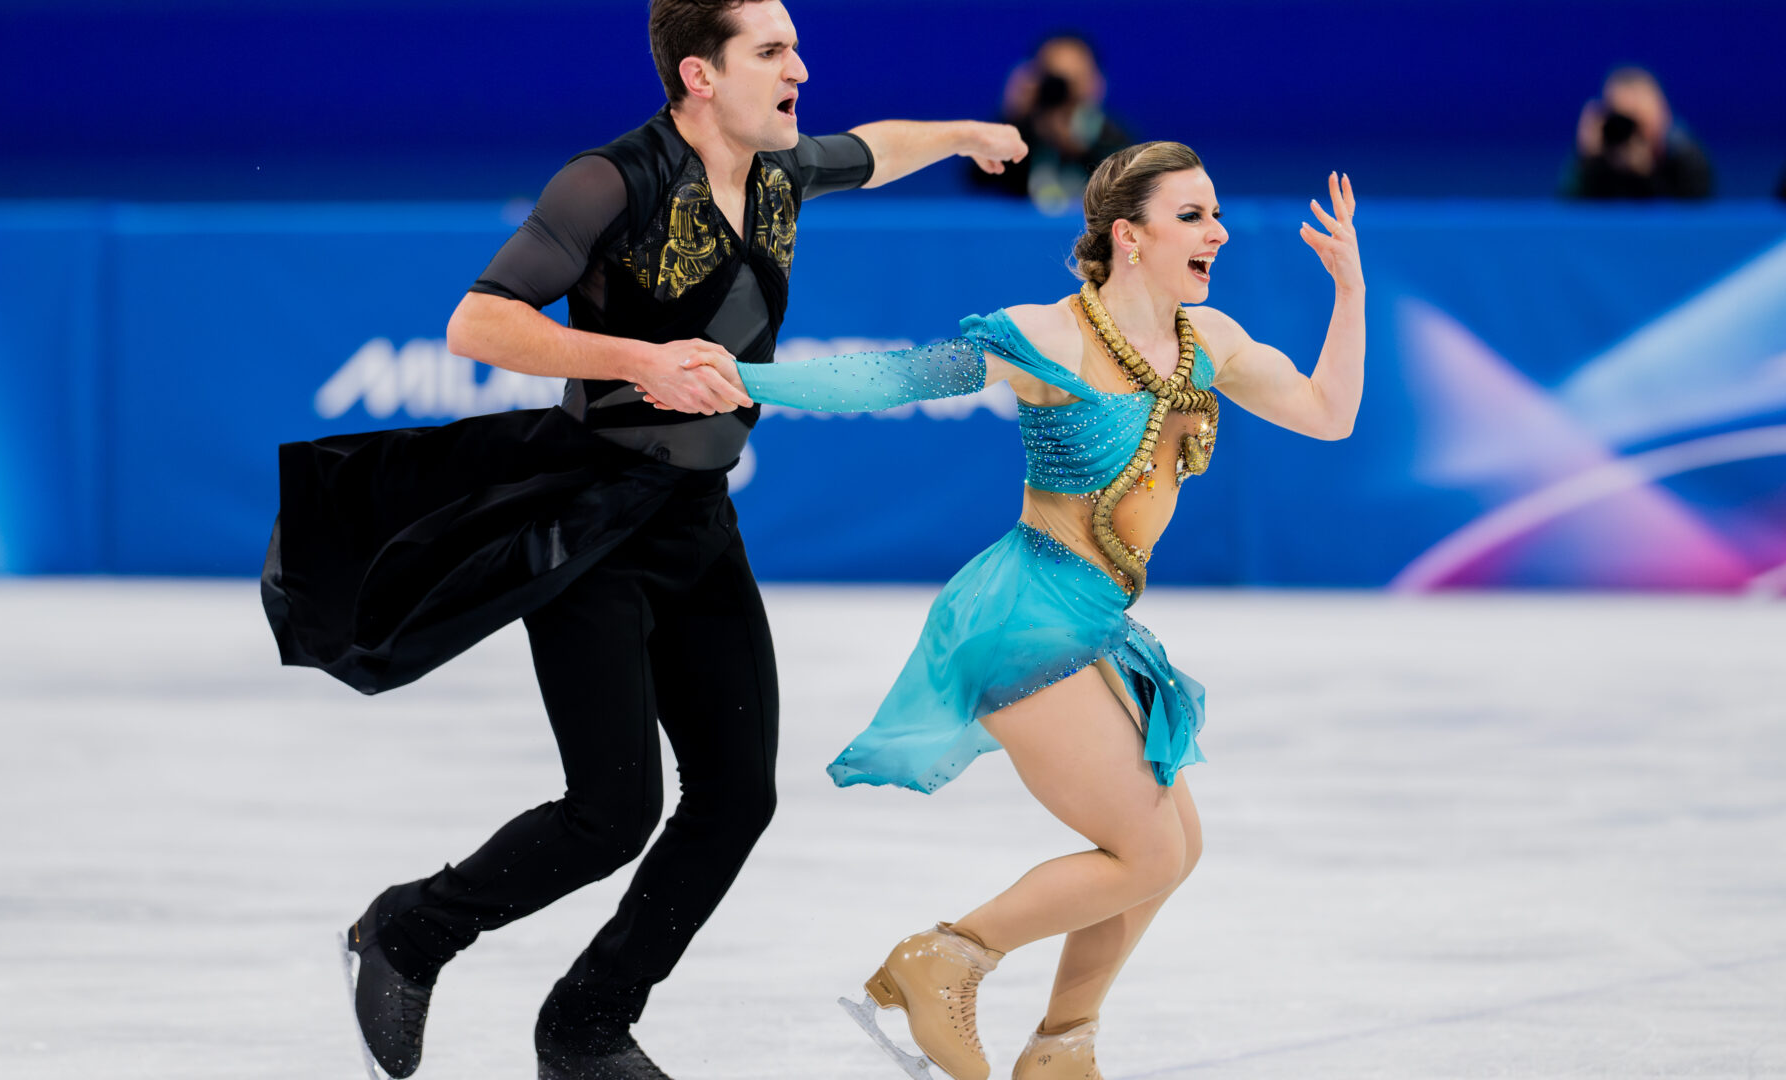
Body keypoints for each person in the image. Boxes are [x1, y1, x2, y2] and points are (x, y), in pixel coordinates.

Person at [260, 1, 1026, 1078]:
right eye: (772, 51)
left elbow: (880, 147)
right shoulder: (610, 180)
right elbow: (478, 323)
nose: (800, 66)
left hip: (700, 520)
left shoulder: (779, 167)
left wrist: (961, 134)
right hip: (593, 522)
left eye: (795, 47)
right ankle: (409, 930)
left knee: (737, 798)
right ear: (700, 75)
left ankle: (586, 1024)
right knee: (612, 811)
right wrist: (637, 359)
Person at [672, 143, 1364, 1078]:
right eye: (1194, 215)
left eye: (1216, 214)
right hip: (1023, 613)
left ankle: (1061, 1046)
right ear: (1130, 236)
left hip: (1098, 622)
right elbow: (894, 378)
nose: (1219, 231)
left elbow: (1329, 412)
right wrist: (748, 379)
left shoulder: (1213, 343)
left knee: (1174, 846)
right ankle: (945, 956)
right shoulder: (1052, 335)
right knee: (1150, 849)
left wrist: (1349, 293)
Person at [971, 34, 1132, 214]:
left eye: (1075, 78)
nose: (1064, 91)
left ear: (1097, 82)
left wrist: (1079, 146)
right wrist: (1012, 117)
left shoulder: (1114, 138)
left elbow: (1128, 189)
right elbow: (978, 181)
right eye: (1055, 79)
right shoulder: (1022, 133)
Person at [1563, 66, 1713, 199]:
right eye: (1623, 119)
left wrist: (1646, 173)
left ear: (1663, 113)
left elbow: (1692, 219)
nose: (1632, 131)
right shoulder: (1598, 158)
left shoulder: (1684, 156)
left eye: (1639, 117)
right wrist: (1586, 160)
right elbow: (1567, 214)